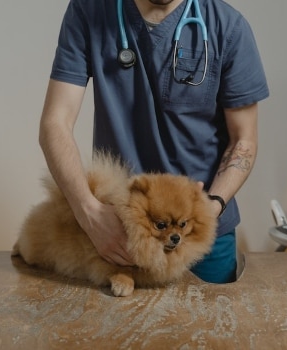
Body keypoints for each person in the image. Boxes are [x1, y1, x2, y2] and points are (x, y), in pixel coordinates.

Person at [38, 0, 269, 283]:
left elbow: (243, 140)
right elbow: (55, 123)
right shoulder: (90, 11)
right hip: (118, 231)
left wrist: (212, 205)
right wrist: (90, 213)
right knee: (118, 326)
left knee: (212, 323)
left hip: (199, 234)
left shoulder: (228, 26)